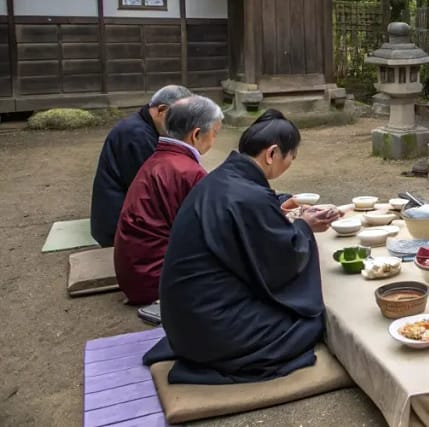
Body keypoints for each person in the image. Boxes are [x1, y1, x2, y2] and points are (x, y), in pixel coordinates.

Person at [143, 109, 338, 384]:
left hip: (186, 319)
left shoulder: (222, 179)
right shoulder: (246, 196)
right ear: (271, 154)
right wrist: (304, 227)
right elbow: (279, 261)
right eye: (291, 157)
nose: (290, 163)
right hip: (211, 329)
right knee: (310, 321)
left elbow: (251, 233)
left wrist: (279, 209)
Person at [113, 95, 223, 305]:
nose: (214, 140)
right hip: (155, 279)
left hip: (135, 272)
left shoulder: (160, 159)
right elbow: (208, 231)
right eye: (215, 134)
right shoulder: (187, 171)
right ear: (197, 134)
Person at [90, 85, 192, 246]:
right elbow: (156, 188)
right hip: (118, 226)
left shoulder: (144, 127)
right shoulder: (136, 135)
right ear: (162, 110)